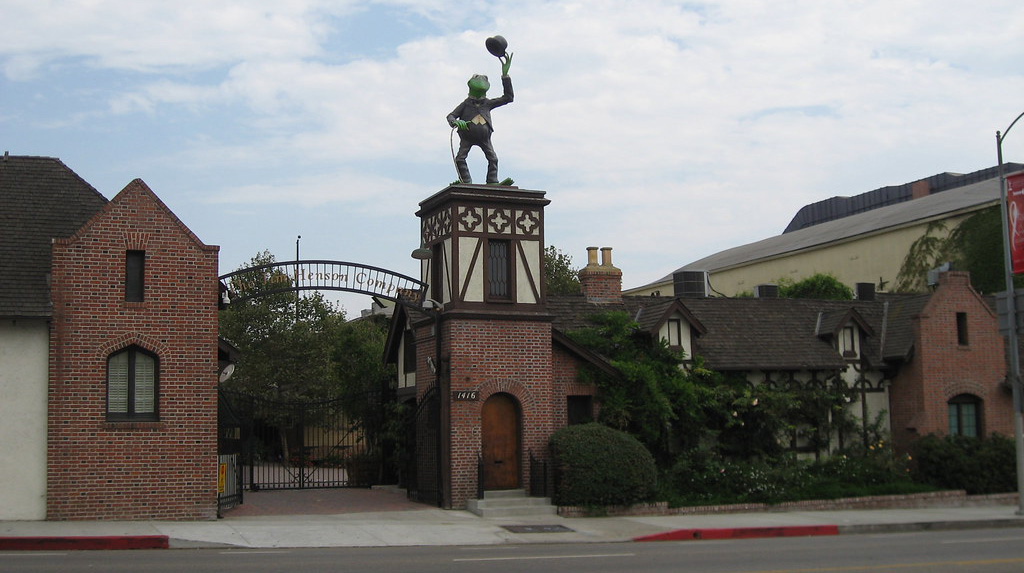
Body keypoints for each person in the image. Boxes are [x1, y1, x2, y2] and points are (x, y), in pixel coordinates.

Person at [447, 52, 513, 184]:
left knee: (493, 158)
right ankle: (465, 181)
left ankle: (492, 181)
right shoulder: (465, 104)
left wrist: (505, 76)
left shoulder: (488, 103)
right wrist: (456, 122)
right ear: (470, 83)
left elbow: (508, 97)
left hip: (484, 137)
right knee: (460, 158)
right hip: (467, 135)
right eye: (477, 78)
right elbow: (451, 115)